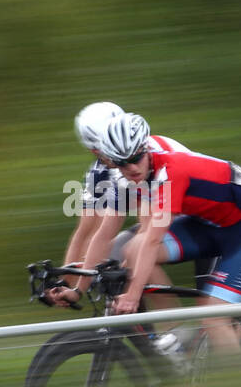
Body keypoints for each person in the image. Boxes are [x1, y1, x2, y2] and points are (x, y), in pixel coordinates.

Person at [100, 113, 241, 352]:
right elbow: (145, 233)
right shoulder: (136, 177)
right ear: (113, 162)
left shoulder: (171, 173)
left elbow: (153, 240)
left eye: (136, 158)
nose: (131, 168)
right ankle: (177, 336)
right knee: (132, 248)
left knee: (212, 317)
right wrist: (124, 270)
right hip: (209, 225)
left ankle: (238, 384)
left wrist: (132, 295)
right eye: (122, 163)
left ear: (146, 149)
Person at [45, 103, 191, 307]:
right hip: (163, 217)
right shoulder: (103, 173)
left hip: (191, 214)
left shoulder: (147, 156)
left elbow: (150, 224)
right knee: (112, 263)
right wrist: (68, 283)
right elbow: (89, 232)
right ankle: (146, 333)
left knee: (134, 252)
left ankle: (175, 326)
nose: (112, 155)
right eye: (103, 150)